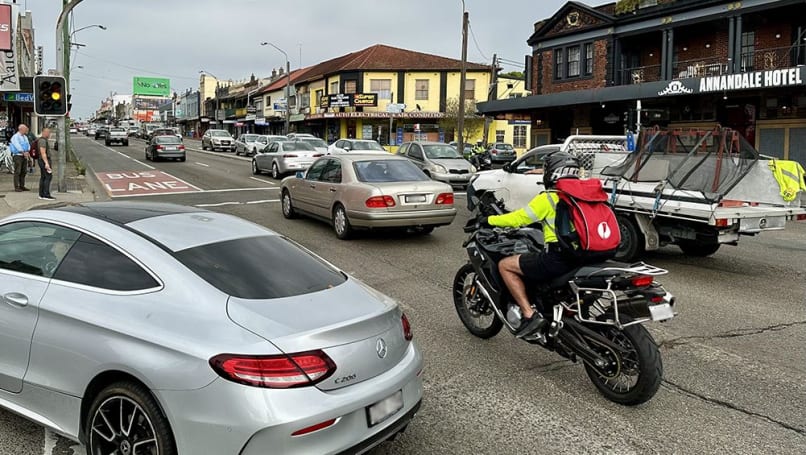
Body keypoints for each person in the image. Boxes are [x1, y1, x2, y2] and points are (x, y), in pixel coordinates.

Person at [481, 152, 582, 338]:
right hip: (586, 255)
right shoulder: (584, 194)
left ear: (551, 173)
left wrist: (491, 220)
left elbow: (520, 218)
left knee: (505, 265)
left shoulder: (550, 197)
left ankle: (529, 314)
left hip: (559, 258)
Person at [9, 124, 31, 192]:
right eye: (25, 129)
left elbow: (28, 144)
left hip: (24, 155)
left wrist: (27, 151)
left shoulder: (25, 137)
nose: (26, 130)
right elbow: (17, 145)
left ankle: (22, 185)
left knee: (23, 171)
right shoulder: (15, 137)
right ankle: (17, 186)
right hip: (18, 155)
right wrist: (23, 152)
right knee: (17, 171)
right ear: (21, 129)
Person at [35, 128, 54, 201]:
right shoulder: (42, 141)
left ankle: (41, 194)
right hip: (44, 161)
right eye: (48, 132)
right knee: (48, 177)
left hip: (42, 161)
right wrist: (46, 163)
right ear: (44, 132)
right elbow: (43, 153)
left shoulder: (42, 140)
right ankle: (46, 194)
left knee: (43, 177)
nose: (49, 134)